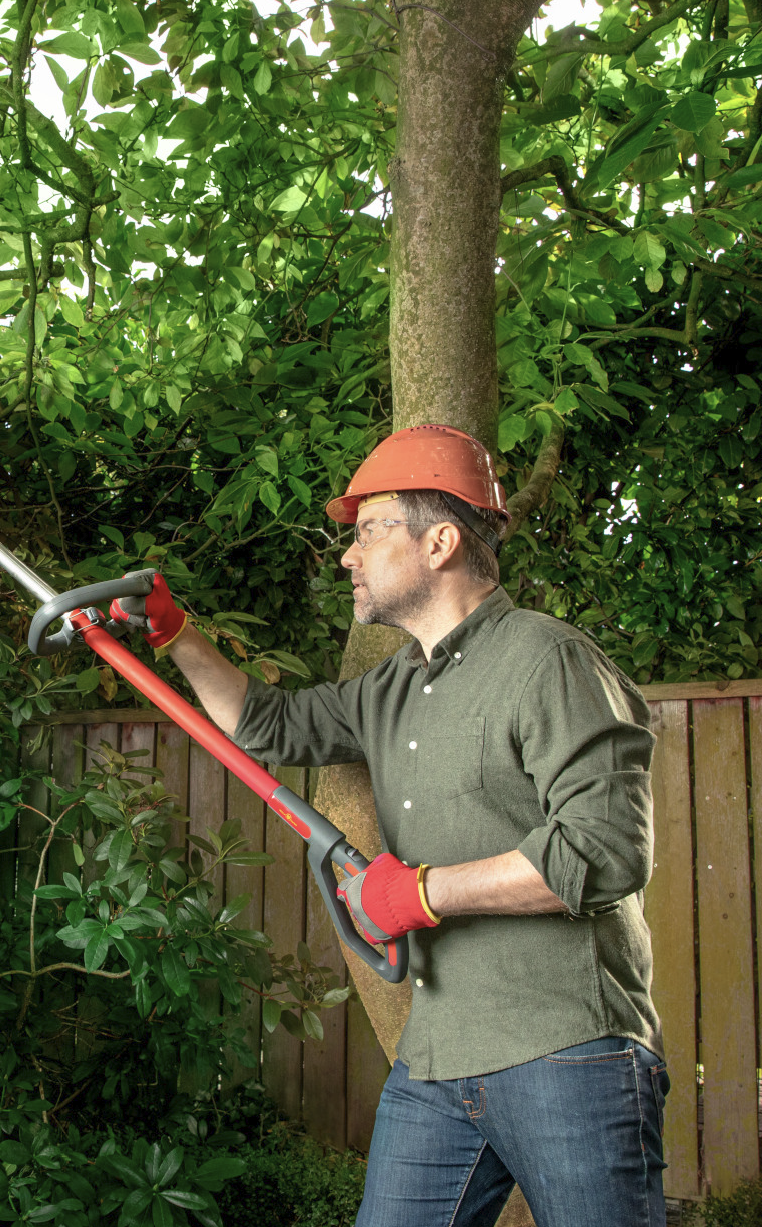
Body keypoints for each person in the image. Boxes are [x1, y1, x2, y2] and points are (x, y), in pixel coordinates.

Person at [109, 424, 666, 1227]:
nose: (347, 553)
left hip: (566, 1051)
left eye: (369, 529)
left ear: (439, 541)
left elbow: (602, 849)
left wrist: (421, 894)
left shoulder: (548, 660)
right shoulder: (390, 688)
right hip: (438, 1059)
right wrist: (174, 632)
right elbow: (266, 723)